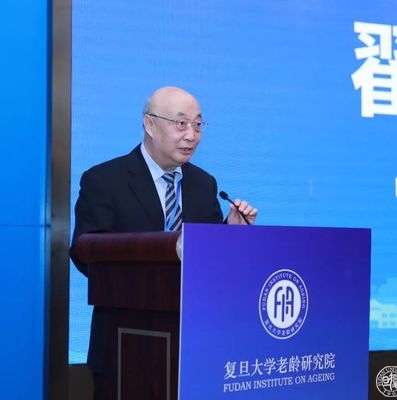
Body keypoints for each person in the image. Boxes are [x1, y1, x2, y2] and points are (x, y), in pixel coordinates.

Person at [70, 86, 258, 399]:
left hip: (195, 348)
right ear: (150, 124)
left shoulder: (203, 184)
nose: (192, 135)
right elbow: (85, 253)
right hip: (125, 346)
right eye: (181, 123)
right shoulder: (104, 179)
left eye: (198, 125)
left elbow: (207, 262)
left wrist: (229, 232)